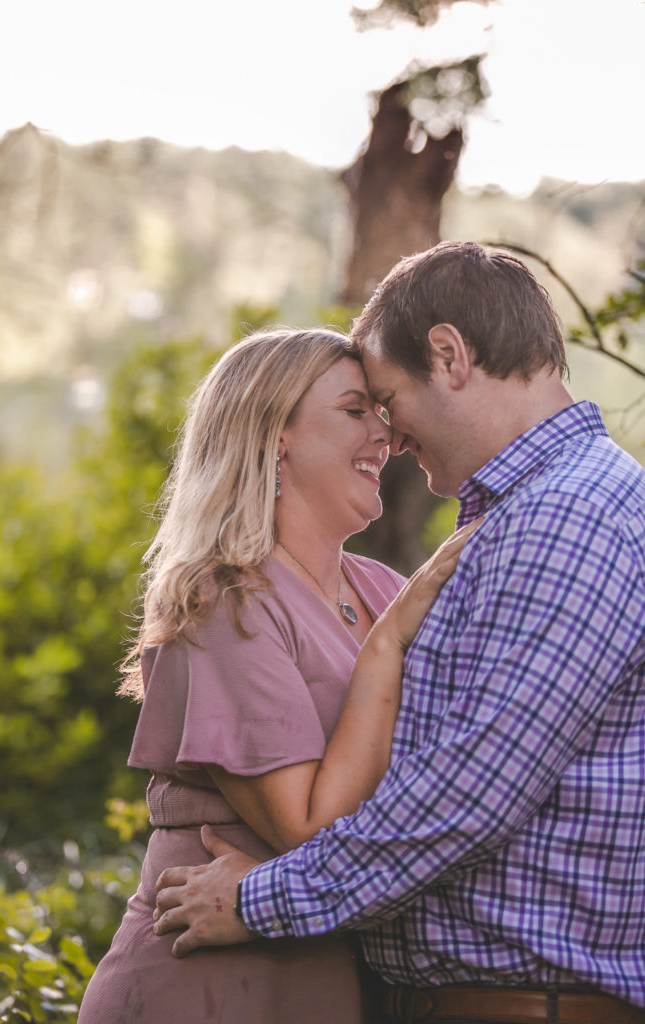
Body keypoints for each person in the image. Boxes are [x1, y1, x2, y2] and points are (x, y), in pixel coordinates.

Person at [153, 243, 645, 1023]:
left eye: (386, 398)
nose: (390, 432)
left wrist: (264, 899)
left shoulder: (563, 519)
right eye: (360, 410)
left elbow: (472, 790)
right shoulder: (514, 524)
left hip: (517, 1006)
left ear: (447, 355)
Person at [77, 326, 477, 1024]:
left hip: (337, 980)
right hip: (208, 988)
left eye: (380, 414)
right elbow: (307, 827)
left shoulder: (382, 589)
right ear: (273, 437)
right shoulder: (222, 600)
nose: (384, 436)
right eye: (355, 411)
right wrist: (385, 649)